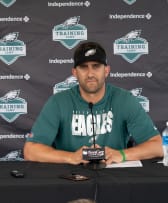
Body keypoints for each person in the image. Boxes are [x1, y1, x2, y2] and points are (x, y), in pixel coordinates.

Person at [24, 41, 163, 165]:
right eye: (84, 67)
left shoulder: (124, 99)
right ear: (74, 72)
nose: (90, 74)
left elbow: (157, 146)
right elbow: (30, 150)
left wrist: (120, 154)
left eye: (96, 66)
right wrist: (71, 157)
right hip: (70, 178)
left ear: (106, 70)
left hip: (115, 176)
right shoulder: (58, 102)